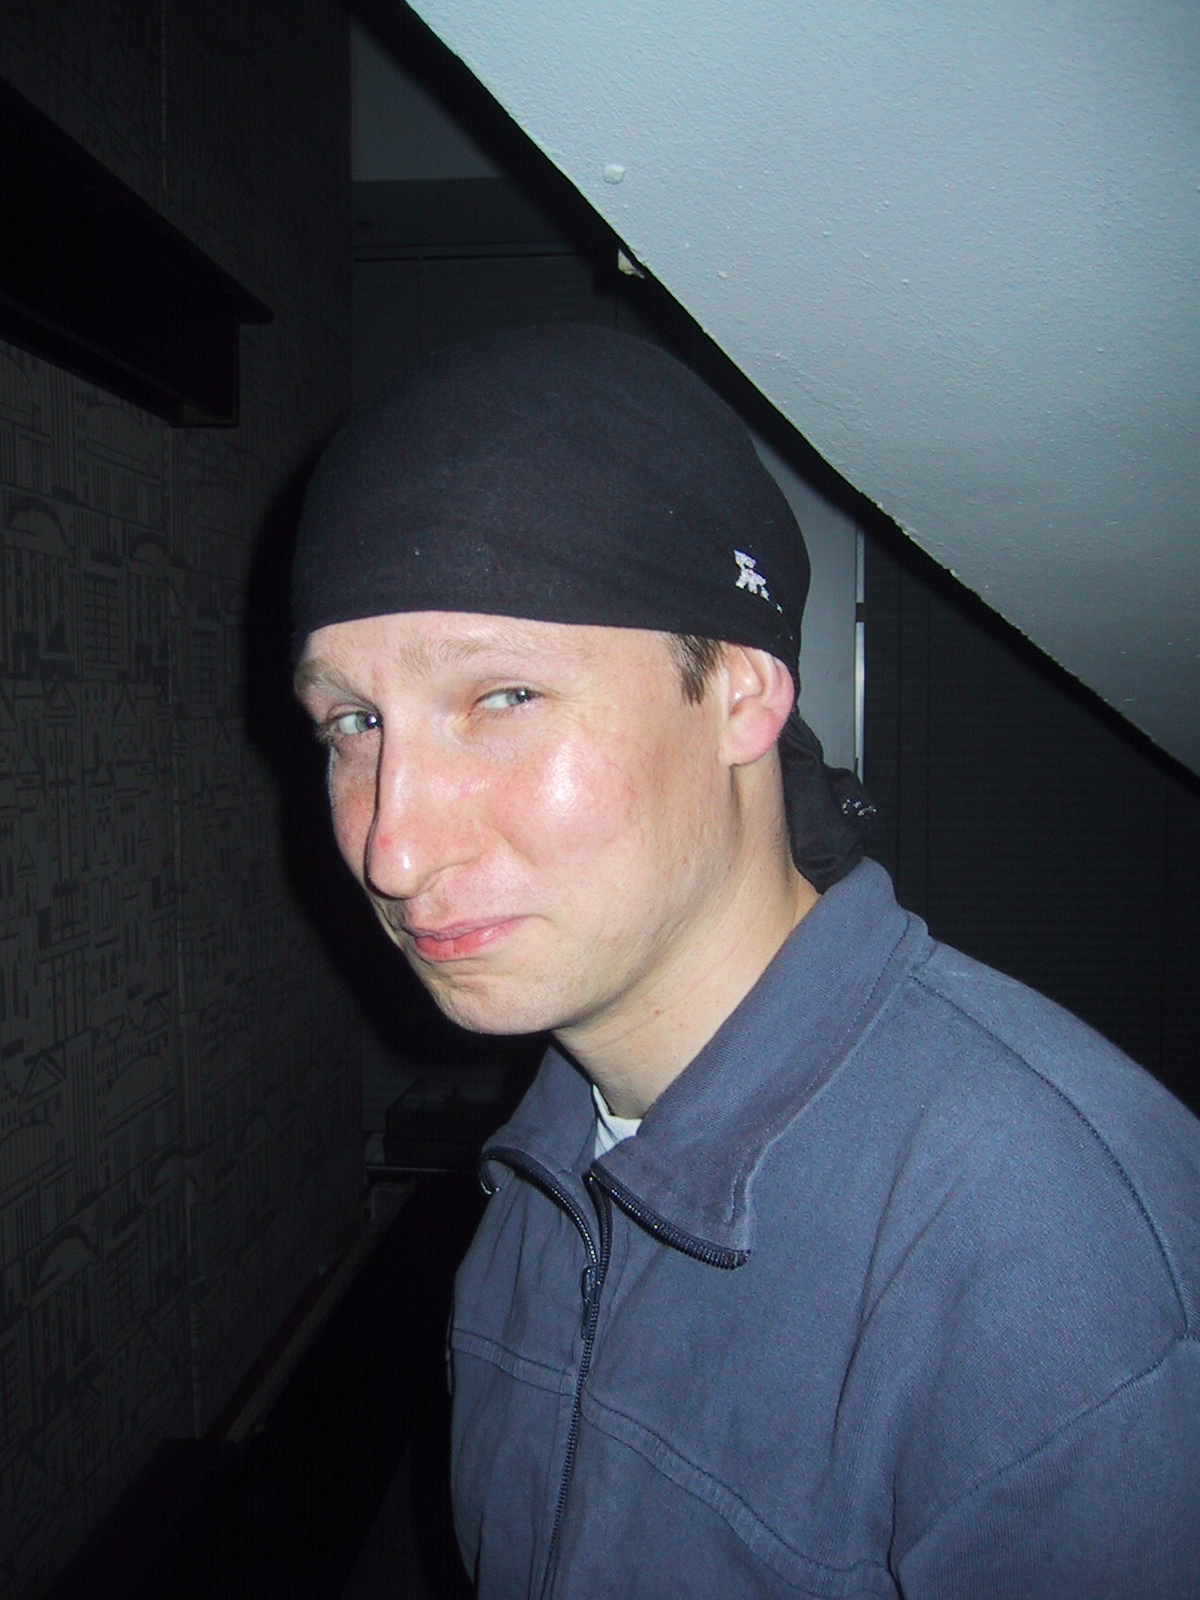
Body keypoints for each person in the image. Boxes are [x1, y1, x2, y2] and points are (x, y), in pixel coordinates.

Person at [292, 325, 1200, 1599]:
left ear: (741, 693)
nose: (391, 845)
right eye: (353, 722)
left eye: (501, 697)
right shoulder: (543, 1179)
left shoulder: (1052, 1252)